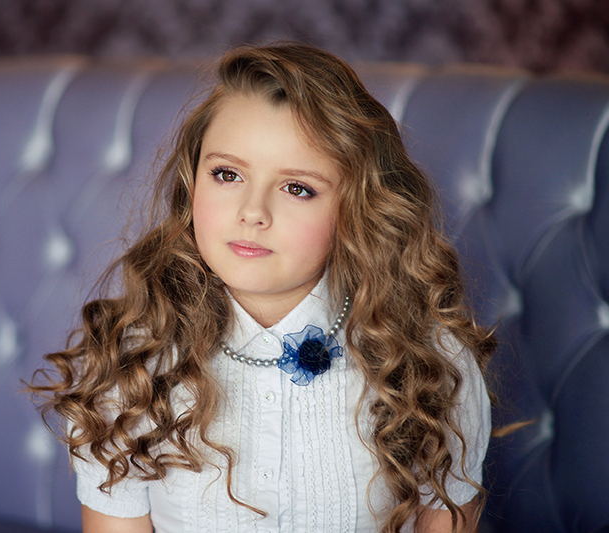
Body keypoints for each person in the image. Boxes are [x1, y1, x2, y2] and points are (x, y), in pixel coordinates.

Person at [29, 43, 495, 533]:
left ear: (358, 207)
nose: (252, 212)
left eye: (297, 188)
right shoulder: (132, 366)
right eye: (227, 174)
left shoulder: (431, 365)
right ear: (192, 183)